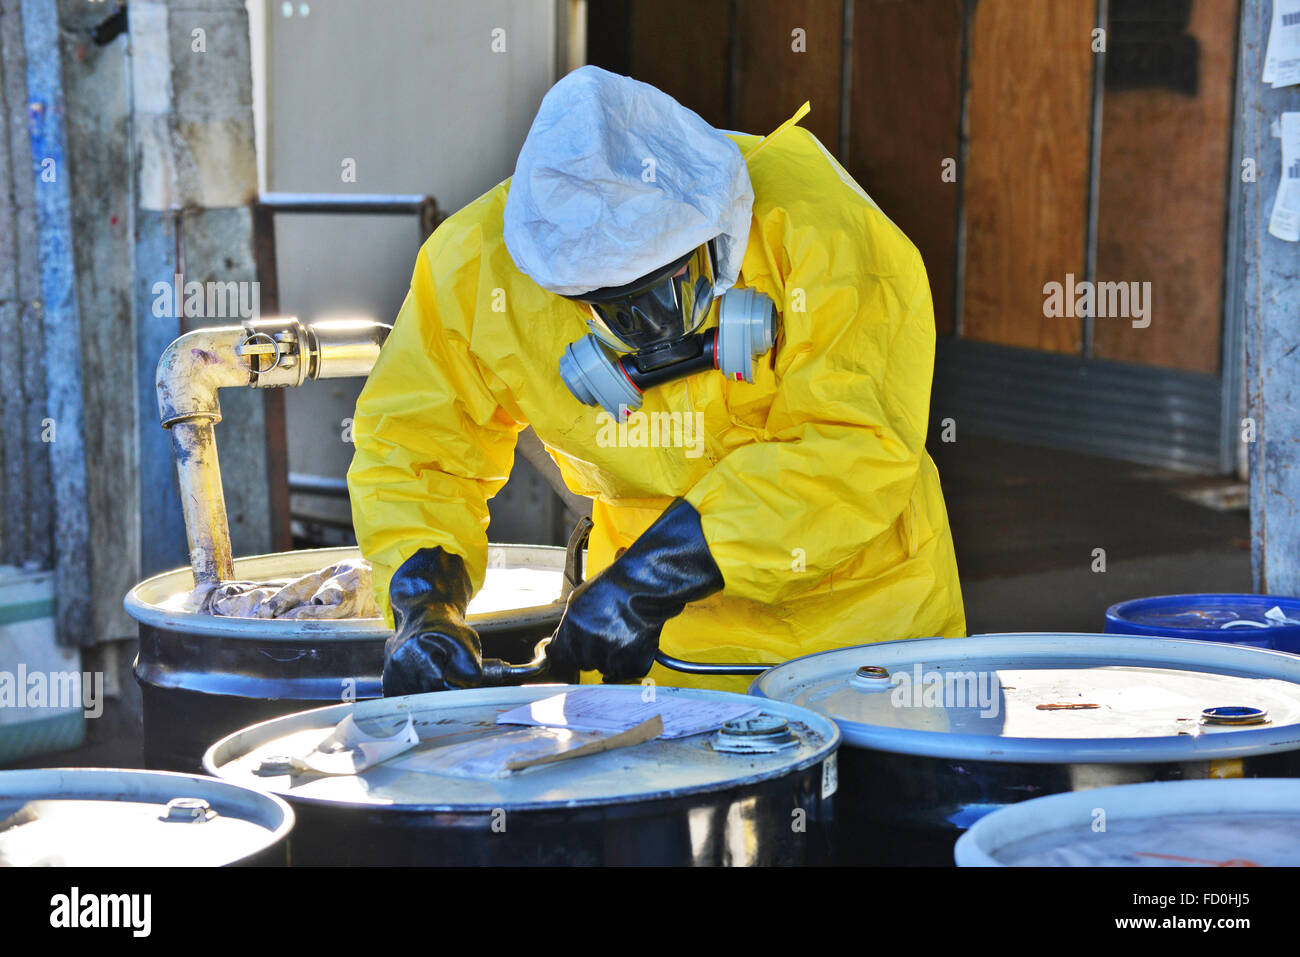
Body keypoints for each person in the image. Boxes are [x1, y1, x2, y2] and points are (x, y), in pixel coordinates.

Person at [347, 65, 965, 696]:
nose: (654, 329)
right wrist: (427, 606)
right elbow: (416, 449)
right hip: (657, 652)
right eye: (611, 305)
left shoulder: (819, 225)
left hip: (869, 645)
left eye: (672, 283)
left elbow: (855, 447)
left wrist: (651, 578)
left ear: (721, 226)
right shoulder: (479, 270)